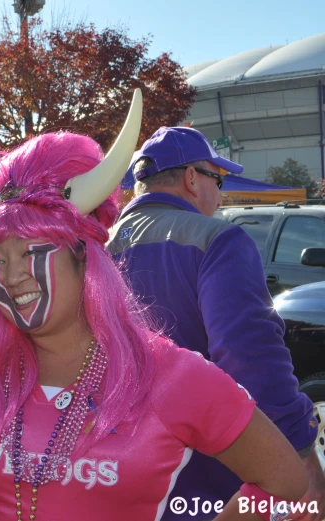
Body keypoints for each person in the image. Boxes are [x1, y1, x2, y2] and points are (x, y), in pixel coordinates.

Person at [0, 92, 310, 520]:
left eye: (33, 252)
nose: (11, 274)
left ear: (83, 257)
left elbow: (288, 486)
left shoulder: (170, 374)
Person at [107, 126, 324, 520]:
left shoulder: (93, 251)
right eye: (217, 179)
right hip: (201, 484)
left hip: (107, 479)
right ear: (192, 179)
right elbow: (251, 357)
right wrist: (302, 451)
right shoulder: (218, 239)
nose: (221, 194)